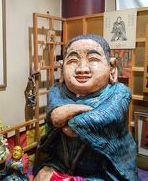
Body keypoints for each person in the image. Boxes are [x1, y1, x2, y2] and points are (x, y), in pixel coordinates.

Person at [33, 34, 138, 180]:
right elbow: (56, 117)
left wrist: (72, 119)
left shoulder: (119, 92)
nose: (82, 69)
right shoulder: (57, 90)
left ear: (112, 67)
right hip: (60, 163)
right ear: (62, 67)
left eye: (93, 59)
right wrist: (85, 110)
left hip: (104, 170)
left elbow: (99, 119)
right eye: (73, 61)